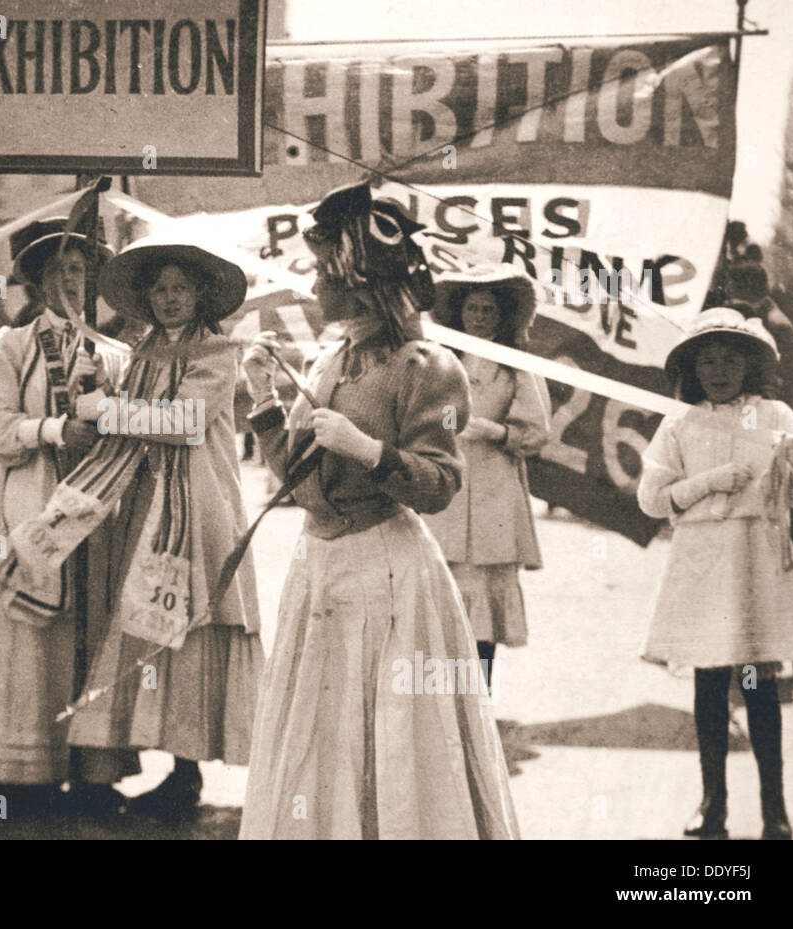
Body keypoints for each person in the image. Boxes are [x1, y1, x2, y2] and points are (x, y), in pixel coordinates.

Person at [236, 181, 518, 840]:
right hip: (322, 570)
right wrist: (264, 401)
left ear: (355, 276)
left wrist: (371, 452)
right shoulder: (332, 355)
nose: (310, 282)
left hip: (388, 572)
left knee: (393, 733)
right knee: (324, 730)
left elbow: (442, 483)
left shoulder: (429, 365)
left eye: (320, 267)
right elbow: (303, 483)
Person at [11, 242, 265, 822]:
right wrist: (97, 387)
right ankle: (172, 768)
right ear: (147, 300)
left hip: (198, 503)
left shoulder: (219, 351)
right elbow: (124, 411)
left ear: (200, 295)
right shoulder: (141, 351)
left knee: (192, 625)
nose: (170, 299)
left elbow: (185, 422)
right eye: (159, 290)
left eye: (180, 288)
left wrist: (104, 409)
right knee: (152, 625)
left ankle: (188, 772)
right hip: (148, 496)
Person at [0, 224, 138, 816]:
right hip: (27, 496)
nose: (69, 282)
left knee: (91, 627)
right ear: (33, 278)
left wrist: (108, 428)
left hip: (95, 507)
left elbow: (135, 429)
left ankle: (94, 771)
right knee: (27, 630)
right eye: (56, 271)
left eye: (79, 269)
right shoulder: (10, 345)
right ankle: (21, 770)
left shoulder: (116, 354)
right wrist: (55, 430)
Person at [636, 307, 793, 841]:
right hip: (702, 567)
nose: (719, 370)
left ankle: (775, 810)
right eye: (708, 360)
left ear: (750, 365)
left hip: (755, 564)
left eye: (731, 359)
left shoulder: (775, 416)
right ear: (693, 368)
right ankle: (714, 805)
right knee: (710, 686)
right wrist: (709, 482)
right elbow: (652, 499)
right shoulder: (679, 422)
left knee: (757, 686)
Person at [423, 267, 551, 685]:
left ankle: (479, 705)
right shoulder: (438, 361)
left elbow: (536, 431)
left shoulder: (515, 366)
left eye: (488, 311)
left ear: (502, 317)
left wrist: (496, 431)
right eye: (471, 309)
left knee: (484, 614)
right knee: (441, 604)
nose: (478, 318)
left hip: (495, 491)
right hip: (448, 487)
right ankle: (440, 709)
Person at [723, 260, 793, 416]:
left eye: (730, 283)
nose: (727, 288)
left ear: (745, 285)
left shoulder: (776, 323)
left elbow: (792, 376)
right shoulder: (760, 312)